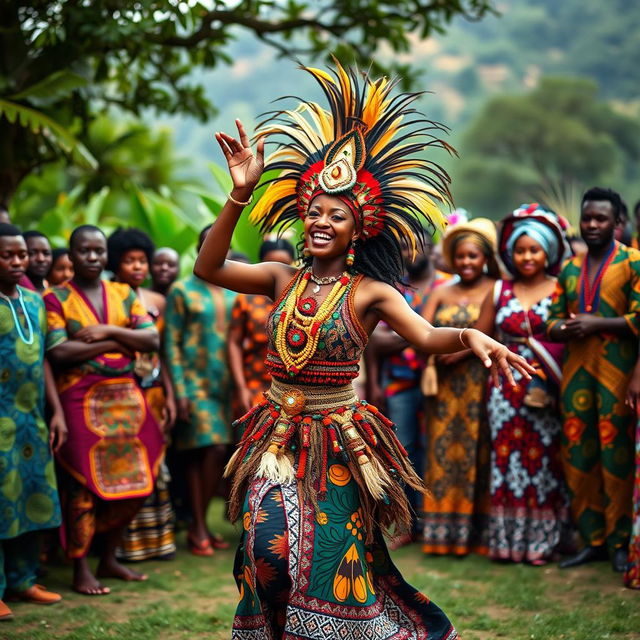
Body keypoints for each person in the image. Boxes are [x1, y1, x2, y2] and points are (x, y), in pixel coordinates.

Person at [194, 62, 532, 639]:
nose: (322, 221)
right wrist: (238, 194)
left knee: (332, 560)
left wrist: (472, 335)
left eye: (338, 214)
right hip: (275, 433)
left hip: (339, 440)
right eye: (316, 211)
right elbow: (209, 266)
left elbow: (425, 337)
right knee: (265, 551)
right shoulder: (279, 277)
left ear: (359, 228)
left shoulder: (371, 292)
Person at [44, 225, 164, 595]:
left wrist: (104, 332)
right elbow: (59, 352)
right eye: (84, 251)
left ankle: (109, 558)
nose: (93, 257)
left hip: (127, 400)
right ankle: (81, 566)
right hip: (78, 399)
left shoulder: (123, 292)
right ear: (72, 254)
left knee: (140, 479)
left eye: (98, 251)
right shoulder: (55, 299)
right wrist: (121, 340)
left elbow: (151, 338)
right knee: (83, 484)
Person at [548, 187, 640, 572]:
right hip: (576, 376)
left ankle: (620, 542)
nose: (592, 225)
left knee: (615, 459)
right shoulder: (569, 268)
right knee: (578, 457)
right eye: (587, 218)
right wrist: (563, 328)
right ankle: (593, 541)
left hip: (617, 376)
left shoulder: (634, 262)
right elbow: (550, 322)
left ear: (618, 223)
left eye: (601, 219)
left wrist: (597, 323)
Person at [475, 204, 571, 564]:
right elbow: (479, 335)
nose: (527, 256)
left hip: (546, 388)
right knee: (506, 462)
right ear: (510, 253)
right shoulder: (499, 289)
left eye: (534, 249)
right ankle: (507, 543)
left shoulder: (562, 288)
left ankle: (541, 544)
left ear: (548, 250)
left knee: (543, 461)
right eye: (520, 250)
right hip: (503, 390)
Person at [420, 217, 499, 556]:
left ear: (485, 259)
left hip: (478, 382)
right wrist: (440, 352)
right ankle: (440, 534)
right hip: (442, 389)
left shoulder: (495, 289)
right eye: (462, 256)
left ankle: (472, 535)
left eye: (474, 257)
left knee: (476, 451)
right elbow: (420, 330)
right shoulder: (440, 291)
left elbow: (487, 331)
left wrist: (454, 353)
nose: (467, 263)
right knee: (441, 452)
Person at [365, 240, 451, 546]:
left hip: (444, 383)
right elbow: (377, 342)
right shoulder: (392, 286)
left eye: (419, 246)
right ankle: (403, 524)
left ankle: (434, 521)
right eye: (403, 247)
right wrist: (424, 331)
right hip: (399, 381)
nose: (411, 253)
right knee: (402, 451)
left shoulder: (447, 284)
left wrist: (405, 332)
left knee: (437, 449)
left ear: (431, 246)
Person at [0, 224, 67, 621]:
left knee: (31, 496)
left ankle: (23, 580)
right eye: (7, 255)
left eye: (20, 255)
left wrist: (55, 410)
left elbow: (42, 357)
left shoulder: (34, 300)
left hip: (31, 419)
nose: (16, 262)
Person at [164, 225, 237, 556]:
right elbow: (171, 344)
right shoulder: (181, 290)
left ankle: (200, 525)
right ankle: (197, 525)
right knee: (211, 449)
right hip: (193, 384)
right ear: (198, 249)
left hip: (227, 386)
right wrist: (178, 390)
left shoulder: (237, 291)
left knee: (209, 454)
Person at [107, 227, 177, 562]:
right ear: (115, 264)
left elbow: (165, 353)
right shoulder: (109, 296)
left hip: (154, 391)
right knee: (126, 463)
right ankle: (123, 546)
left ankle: (157, 543)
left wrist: (172, 397)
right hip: (122, 391)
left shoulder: (158, 301)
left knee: (156, 464)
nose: (137, 267)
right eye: (129, 261)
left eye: (142, 261)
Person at [228, 239, 295, 418]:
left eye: (285, 265)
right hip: (255, 382)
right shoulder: (247, 299)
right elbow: (234, 343)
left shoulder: (304, 300)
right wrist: (241, 388)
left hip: (295, 387)